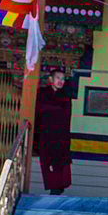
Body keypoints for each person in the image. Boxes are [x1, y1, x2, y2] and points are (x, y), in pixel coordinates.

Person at [35, 66, 74, 195]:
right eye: (58, 78)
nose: (61, 81)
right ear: (51, 79)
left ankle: (57, 190)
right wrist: (56, 109)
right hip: (45, 133)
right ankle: (54, 188)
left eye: (63, 79)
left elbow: (66, 116)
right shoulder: (42, 92)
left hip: (61, 135)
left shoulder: (66, 95)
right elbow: (40, 110)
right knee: (48, 164)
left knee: (60, 164)